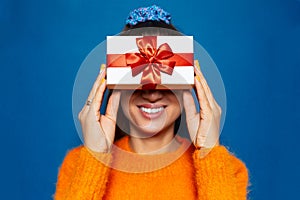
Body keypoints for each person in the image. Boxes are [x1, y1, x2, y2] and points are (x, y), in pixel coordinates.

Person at [54, 5, 248, 200]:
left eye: (166, 78)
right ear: (115, 86)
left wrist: (209, 152)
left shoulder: (228, 171)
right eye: (137, 77)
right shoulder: (77, 166)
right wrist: (95, 156)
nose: (152, 94)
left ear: (188, 85)